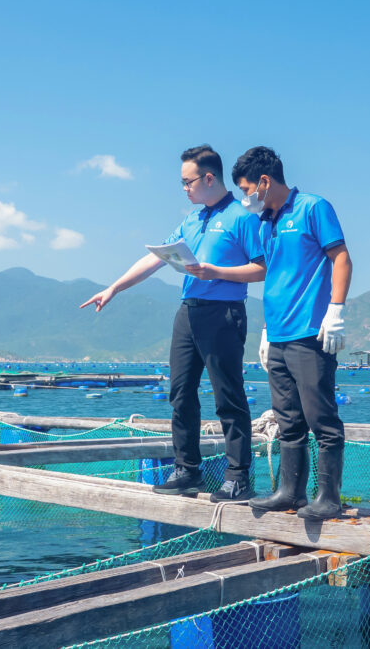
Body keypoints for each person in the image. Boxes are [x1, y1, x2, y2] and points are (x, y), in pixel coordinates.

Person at [80, 145, 265, 502]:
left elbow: (261, 268)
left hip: (223, 313)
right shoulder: (190, 221)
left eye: (187, 182)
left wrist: (216, 272)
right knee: (180, 393)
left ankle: (238, 476)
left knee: (228, 395)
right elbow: (154, 260)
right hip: (188, 312)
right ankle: (187, 470)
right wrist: (114, 288)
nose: (184, 189)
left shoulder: (242, 216)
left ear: (208, 178)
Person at [231, 146, 352, 520]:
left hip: (310, 333)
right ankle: (290, 492)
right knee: (287, 420)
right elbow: (274, 276)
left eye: (246, 189)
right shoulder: (265, 222)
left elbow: (341, 258)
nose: (245, 198)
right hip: (278, 336)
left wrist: (335, 310)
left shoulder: (313, 208)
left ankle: (328, 497)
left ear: (264, 182)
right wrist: (266, 331)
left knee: (321, 418)